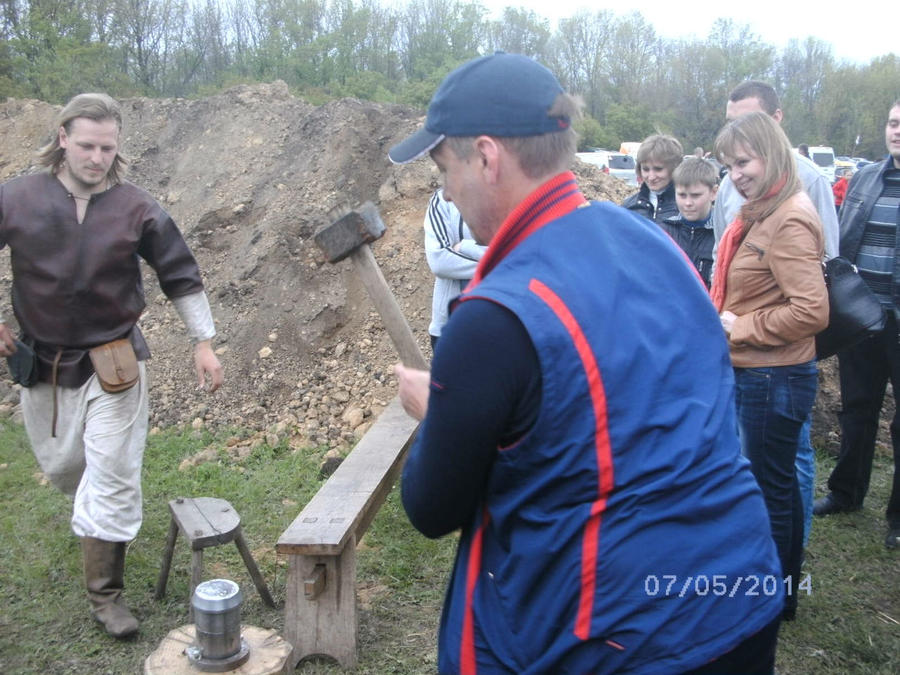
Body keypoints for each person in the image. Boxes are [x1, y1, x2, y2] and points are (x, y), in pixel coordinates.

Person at [388, 53, 783, 674]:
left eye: (443, 170)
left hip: (619, 637)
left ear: (486, 158)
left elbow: (431, 507)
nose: (446, 192)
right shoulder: (648, 239)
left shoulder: (493, 317)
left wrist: (442, 413)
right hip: (738, 590)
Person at [0, 93, 224, 637]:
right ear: (62, 139)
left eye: (106, 147)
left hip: (113, 360)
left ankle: (107, 597)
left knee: (112, 471)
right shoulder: (18, 198)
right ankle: (102, 518)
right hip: (44, 362)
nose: (96, 157)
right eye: (85, 145)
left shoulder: (136, 207)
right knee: (65, 469)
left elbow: (181, 273)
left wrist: (204, 341)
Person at [711, 81, 840, 553]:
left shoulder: (788, 217)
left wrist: (739, 326)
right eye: (729, 166)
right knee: (766, 487)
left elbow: (812, 309)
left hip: (774, 375)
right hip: (757, 371)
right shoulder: (760, 212)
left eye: (743, 163)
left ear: (770, 154)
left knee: (770, 495)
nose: (735, 175)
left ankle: (773, 597)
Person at [813, 100, 900, 550]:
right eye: (891, 123)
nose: (896, 131)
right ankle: (846, 493)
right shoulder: (865, 178)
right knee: (856, 409)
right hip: (863, 317)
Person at [424, 188, 486, 349]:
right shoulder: (442, 201)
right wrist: (501, 265)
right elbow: (440, 261)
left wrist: (465, 247)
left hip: (498, 325)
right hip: (449, 328)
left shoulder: (510, 193)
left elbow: (521, 250)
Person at [661, 157, 719, 287]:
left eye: (695, 195)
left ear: (714, 193)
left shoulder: (721, 234)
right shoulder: (663, 232)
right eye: (682, 195)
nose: (687, 203)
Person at [621, 134, 683, 223]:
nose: (651, 177)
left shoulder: (687, 207)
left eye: (658, 169)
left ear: (675, 168)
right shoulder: (629, 206)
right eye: (645, 169)